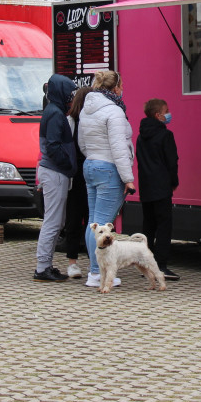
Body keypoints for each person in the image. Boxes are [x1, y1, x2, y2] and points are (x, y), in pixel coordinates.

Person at [79, 70, 133, 289]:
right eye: (122, 86)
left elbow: (82, 143)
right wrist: (128, 178)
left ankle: (94, 271)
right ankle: (96, 273)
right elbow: (119, 148)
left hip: (90, 164)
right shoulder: (114, 111)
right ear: (116, 88)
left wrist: (92, 156)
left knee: (94, 223)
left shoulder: (86, 109)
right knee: (103, 223)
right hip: (109, 168)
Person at [33, 75, 76, 282]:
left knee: (55, 221)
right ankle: (42, 268)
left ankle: (45, 265)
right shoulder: (56, 114)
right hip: (55, 172)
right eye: (69, 92)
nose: (71, 97)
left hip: (54, 172)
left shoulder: (53, 111)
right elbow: (53, 145)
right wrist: (68, 165)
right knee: (53, 221)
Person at [136, 98, 180, 280]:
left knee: (148, 226)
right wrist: (174, 182)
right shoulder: (165, 135)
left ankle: (146, 265)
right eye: (166, 111)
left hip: (146, 186)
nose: (168, 114)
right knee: (163, 226)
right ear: (158, 115)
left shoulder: (140, 136)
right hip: (161, 186)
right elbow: (172, 162)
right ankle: (160, 266)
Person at [62, 86, 92, 278]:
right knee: (75, 219)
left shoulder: (92, 121)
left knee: (89, 220)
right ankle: (72, 261)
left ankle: (90, 262)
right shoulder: (70, 122)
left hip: (88, 175)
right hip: (76, 177)